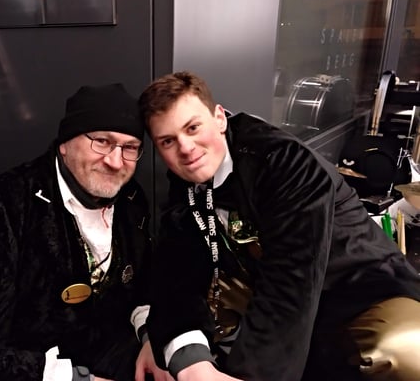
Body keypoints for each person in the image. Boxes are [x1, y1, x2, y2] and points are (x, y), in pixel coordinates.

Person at [137, 71, 420, 381]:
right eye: (168, 141)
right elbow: (176, 267)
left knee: (405, 352)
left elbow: (291, 282)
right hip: (268, 280)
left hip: (359, 286)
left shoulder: (287, 163)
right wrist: (184, 356)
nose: (186, 147)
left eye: (193, 128)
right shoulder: (189, 175)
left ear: (219, 118)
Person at [0, 83, 171, 381]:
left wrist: (150, 339)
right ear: (65, 143)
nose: (115, 161)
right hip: (29, 366)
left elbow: (143, 288)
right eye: (102, 141)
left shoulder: (131, 199)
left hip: (107, 345)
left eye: (130, 147)